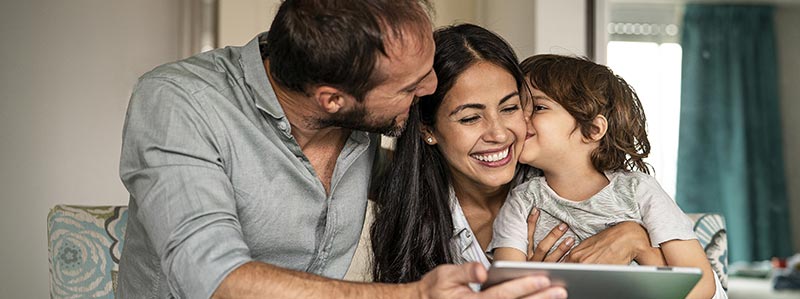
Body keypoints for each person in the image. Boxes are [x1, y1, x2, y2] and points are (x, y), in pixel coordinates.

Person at [117, 1, 556, 298]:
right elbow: (214, 277)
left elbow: (433, 180)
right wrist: (415, 295)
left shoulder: (361, 120)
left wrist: (610, 225)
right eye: (410, 86)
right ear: (333, 99)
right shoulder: (179, 101)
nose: (430, 90)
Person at [371, 24, 660, 296]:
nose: (498, 134)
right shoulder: (406, 217)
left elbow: (682, 279)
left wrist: (632, 236)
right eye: (471, 118)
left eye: (510, 108)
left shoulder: (575, 186)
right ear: (428, 129)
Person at [489, 54, 725, 298]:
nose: (519, 119)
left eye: (538, 107)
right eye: (518, 107)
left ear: (593, 129)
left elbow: (700, 286)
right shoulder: (521, 202)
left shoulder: (639, 190)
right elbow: (505, 292)